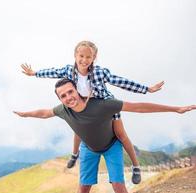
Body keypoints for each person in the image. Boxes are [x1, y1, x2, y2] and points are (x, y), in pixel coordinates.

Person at [14, 78, 195, 193]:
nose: (69, 97)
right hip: (88, 149)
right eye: (63, 96)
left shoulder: (102, 105)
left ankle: (135, 167)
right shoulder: (63, 110)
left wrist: (175, 109)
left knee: (118, 184)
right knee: (84, 188)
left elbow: (139, 107)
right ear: (60, 99)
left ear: (77, 90)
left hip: (111, 146)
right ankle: (75, 156)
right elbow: (44, 113)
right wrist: (26, 114)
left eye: (70, 92)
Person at [20, 40, 164, 184]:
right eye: (81, 56)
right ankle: (75, 154)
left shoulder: (99, 73)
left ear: (94, 57)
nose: (84, 60)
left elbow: (120, 81)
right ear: (75, 56)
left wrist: (146, 89)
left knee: (121, 134)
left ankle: (136, 166)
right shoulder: (68, 71)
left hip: (103, 105)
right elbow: (53, 72)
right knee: (79, 129)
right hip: (83, 106)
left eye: (88, 57)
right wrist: (35, 73)